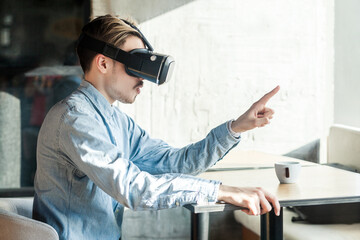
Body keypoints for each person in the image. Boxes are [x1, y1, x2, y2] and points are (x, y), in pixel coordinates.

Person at [33, 14, 281, 240]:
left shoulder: (117, 122)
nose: (144, 78)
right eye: (136, 64)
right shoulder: (75, 119)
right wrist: (221, 191)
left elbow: (175, 163)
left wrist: (235, 128)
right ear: (103, 64)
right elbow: (134, 188)